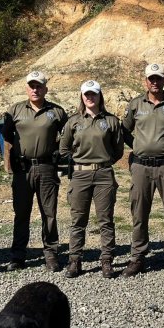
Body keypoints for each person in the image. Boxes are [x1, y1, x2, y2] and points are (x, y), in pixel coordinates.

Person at [121, 63, 164, 279]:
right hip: (141, 166)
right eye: (151, 78)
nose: (154, 82)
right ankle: (138, 257)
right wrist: (138, 146)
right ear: (145, 81)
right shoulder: (135, 105)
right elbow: (124, 131)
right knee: (139, 213)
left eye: (158, 78)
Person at [3, 71, 68, 272]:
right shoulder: (15, 110)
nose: (35, 89)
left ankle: (51, 254)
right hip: (22, 170)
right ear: (26, 88)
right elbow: (5, 137)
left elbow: (68, 137)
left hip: (47, 168)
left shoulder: (57, 112)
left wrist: (62, 161)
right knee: (21, 213)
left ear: (45, 88)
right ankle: (18, 256)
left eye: (39, 86)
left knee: (49, 213)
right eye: (31, 86)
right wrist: (7, 163)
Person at [59, 80, 123, 279]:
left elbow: (118, 150)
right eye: (86, 94)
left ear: (99, 96)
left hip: (104, 175)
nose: (89, 97)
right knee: (78, 220)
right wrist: (79, 161)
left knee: (106, 220)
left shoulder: (111, 121)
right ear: (81, 96)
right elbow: (63, 148)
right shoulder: (74, 121)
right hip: (80, 175)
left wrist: (103, 161)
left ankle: (106, 261)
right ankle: (75, 260)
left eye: (93, 94)